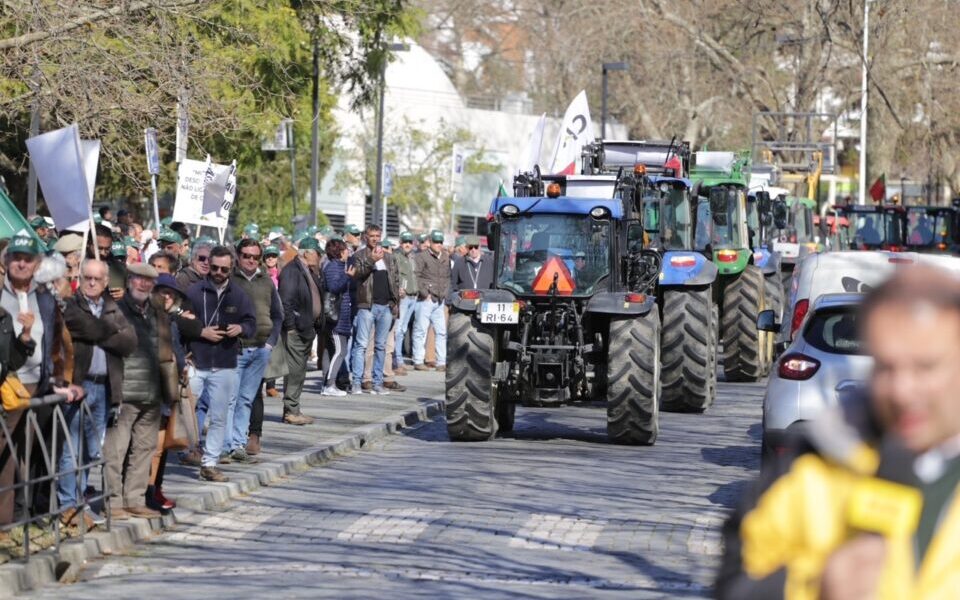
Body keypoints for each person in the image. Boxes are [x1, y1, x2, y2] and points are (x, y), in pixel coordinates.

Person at [717, 265, 960, 599]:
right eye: (887, 367)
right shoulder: (806, 476)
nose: (902, 391)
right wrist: (815, 587)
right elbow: (736, 584)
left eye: (926, 367)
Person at [60, 259, 137, 527]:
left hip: (105, 387)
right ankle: (67, 505)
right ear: (79, 278)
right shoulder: (71, 305)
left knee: (91, 452)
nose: (92, 283)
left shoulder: (112, 306)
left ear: (106, 282)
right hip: (79, 385)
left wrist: (99, 333)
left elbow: (130, 342)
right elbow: (84, 327)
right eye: (87, 277)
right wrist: (108, 331)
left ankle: (79, 501)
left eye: (97, 279)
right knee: (71, 450)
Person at [183, 246, 256, 482]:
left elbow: (252, 323)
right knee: (186, 410)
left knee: (219, 416)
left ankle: (210, 462)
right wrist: (200, 332)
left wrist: (241, 329)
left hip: (224, 362)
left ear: (231, 268)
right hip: (196, 360)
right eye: (214, 267)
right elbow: (180, 323)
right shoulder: (194, 291)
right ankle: (187, 448)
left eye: (224, 269)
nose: (218, 272)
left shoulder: (239, 295)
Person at [226, 239, 282, 462]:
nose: (250, 260)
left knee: (246, 399)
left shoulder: (266, 281)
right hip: (235, 348)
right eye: (246, 255)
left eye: (254, 257)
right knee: (230, 398)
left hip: (260, 349)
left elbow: (278, 315)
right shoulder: (230, 279)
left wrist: (270, 343)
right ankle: (226, 444)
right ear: (238, 256)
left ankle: (239, 443)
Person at [350, 225, 400, 395]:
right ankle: (356, 382)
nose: (375, 238)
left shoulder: (389, 257)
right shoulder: (358, 256)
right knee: (361, 345)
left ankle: (378, 383)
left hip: (385, 306)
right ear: (365, 237)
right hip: (367, 306)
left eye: (378, 235)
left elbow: (395, 279)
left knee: (381, 346)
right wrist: (371, 260)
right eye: (372, 236)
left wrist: (395, 302)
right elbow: (357, 275)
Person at [278, 238, 323, 425]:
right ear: (306, 253)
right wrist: (291, 327)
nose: (320, 257)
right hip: (296, 329)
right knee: (295, 371)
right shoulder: (292, 271)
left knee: (299, 371)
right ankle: (291, 410)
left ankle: (292, 408)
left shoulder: (307, 271)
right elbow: (286, 301)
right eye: (317, 253)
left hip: (306, 328)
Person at [319, 239, 354, 396]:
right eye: (345, 249)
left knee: (330, 350)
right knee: (341, 351)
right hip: (336, 318)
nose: (348, 252)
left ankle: (326, 383)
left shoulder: (339, 266)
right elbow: (333, 287)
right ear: (339, 251)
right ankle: (329, 385)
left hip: (339, 317)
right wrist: (347, 277)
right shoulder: (333, 266)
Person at [413, 230, 451, 372]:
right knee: (420, 330)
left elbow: (448, 277)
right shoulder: (421, 257)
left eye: (441, 242)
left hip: (440, 299)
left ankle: (441, 362)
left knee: (441, 332)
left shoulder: (446, 257)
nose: (439, 244)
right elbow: (415, 276)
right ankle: (418, 360)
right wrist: (425, 293)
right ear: (429, 242)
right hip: (426, 299)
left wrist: (445, 292)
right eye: (436, 242)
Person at [393, 232, 419, 375]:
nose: (408, 244)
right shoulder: (397, 257)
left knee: (402, 330)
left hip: (413, 297)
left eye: (410, 241)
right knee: (399, 330)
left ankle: (399, 360)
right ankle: (397, 361)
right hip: (403, 298)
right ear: (400, 242)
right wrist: (398, 290)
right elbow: (394, 276)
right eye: (405, 242)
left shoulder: (412, 257)